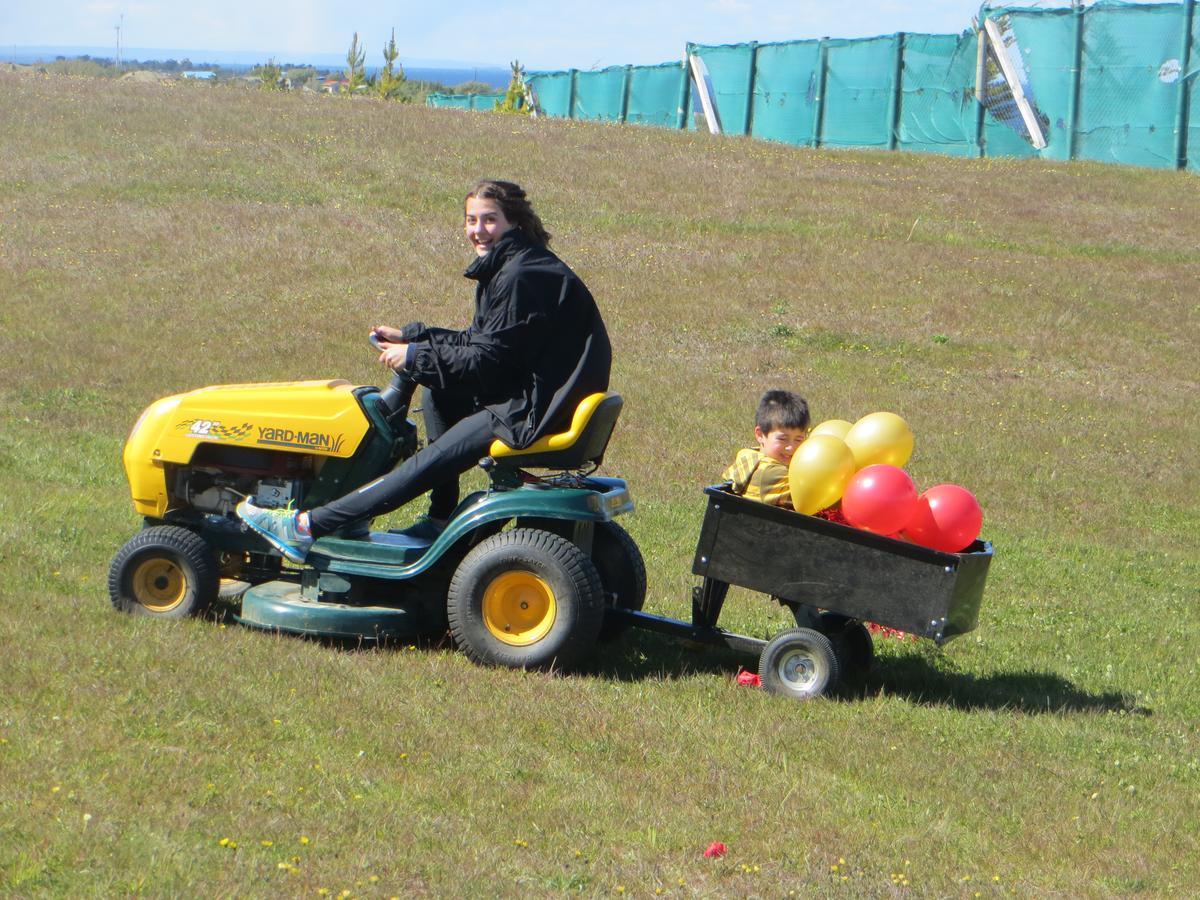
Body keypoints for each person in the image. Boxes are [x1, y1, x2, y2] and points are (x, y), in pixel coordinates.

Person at [237, 180, 612, 562]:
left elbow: (487, 362)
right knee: (438, 391)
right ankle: (441, 516)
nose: (477, 230)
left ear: (513, 222)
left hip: (534, 408)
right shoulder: (517, 265)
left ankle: (305, 527)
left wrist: (416, 358)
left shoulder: (520, 277)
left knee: (424, 463)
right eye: (471, 220)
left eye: (489, 220)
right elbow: (484, 342)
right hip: (538, 393)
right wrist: (415, 339)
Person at [721, 390, 810, 509]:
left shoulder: (754, 458)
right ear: (760, 435)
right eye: (783, 439)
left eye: (799, 439)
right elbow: (811, 495)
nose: (791, 448)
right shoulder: (768, 473)